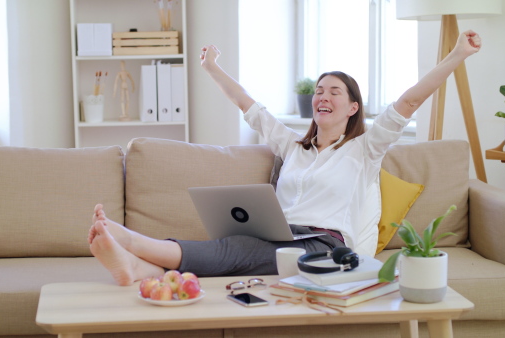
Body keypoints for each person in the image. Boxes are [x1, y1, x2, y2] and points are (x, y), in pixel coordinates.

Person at [88, 30, 482, 286]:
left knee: (237, 252)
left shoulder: (366, 149)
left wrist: (458, 54)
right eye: (319, 91)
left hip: (325, 247)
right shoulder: (294, 147)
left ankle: (135, 243)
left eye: (334, 93)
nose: (323, 97)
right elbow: (249, 106)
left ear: (352, 109)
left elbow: (410, 101)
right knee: (238, 242)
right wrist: (211, 67)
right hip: (283, 237)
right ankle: (143, 271)